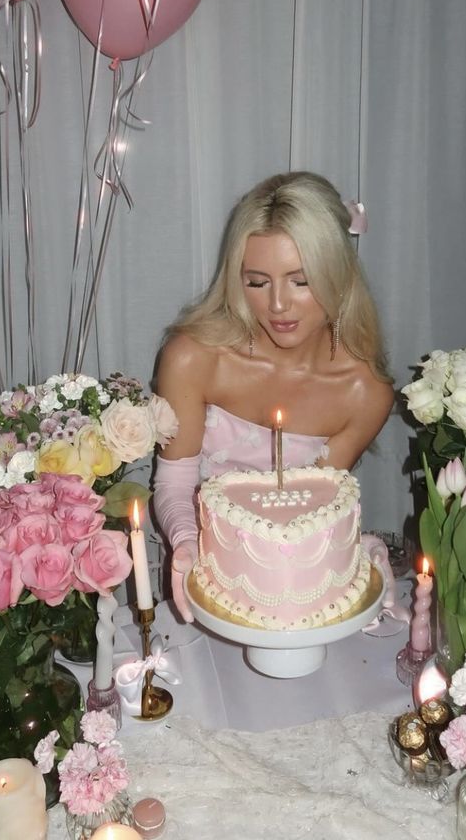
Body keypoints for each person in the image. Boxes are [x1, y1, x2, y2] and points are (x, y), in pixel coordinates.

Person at [153, 171, 399, 623]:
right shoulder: (193, 357)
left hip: (286, 588)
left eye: (301, 281)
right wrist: (188, 545)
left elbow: (312, 513)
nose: (278, 306)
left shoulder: (364, 392)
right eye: (257, 282)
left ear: (338, 275)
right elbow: (172, 484)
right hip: (201, 577)